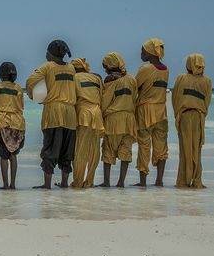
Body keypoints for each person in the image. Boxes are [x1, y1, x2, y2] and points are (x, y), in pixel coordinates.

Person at [25, 40, 77, 189]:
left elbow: (30, 81)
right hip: (70, 113)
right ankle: (65, 183)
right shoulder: (72, 68)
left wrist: (32, 96)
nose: (46, 54)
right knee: (67, 150)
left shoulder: (47, 66)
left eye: (47, 52)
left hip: (53, 112)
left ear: (52, 54)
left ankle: (47, 184)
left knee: (50, 149)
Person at [172, 54, 212, 188]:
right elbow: (207, 101)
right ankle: (196, 180)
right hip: (199, 117)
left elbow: (175, 98)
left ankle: (183, 180)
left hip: (184, 116)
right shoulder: (207, 81)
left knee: (184, 149)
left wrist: (177, 114)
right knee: (197, 148)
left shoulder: (181, 78)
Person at [100, 52, 138, 187]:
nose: (104, 69)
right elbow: (135, 99)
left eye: (105, 66)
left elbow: (105, 102)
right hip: (129, 120)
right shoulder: (132, 79)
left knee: (108, 149)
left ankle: (106, 182)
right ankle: (121, 182)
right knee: (125, 150)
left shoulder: (110, 81)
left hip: (113, 119)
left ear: (110, 66)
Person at [135, 38, 169, 186]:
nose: (141, 53)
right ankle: (159, 180)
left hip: (145, 110)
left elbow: (135, 87)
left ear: (150, 51)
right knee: (161, 146)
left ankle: (143, 182)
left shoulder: (145, 69)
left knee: (144, 145)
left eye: (143, 50)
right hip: (161, 110)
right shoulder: (166, 70)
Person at [70, 58, 104, 188]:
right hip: (97, 113)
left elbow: (72, 97)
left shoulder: (74, 78)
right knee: (94, 150)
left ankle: (78, 181)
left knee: (80, 150)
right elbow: (102, 96)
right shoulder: (96, 78)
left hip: (83, 113)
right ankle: (89, 181)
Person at [0, 62, 25, 190]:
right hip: (18, 122)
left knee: (3, 156)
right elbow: (21, 106)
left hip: (2, 122)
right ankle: (13, 184)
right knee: (13, 155)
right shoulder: (18, 89)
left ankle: (5, 185)